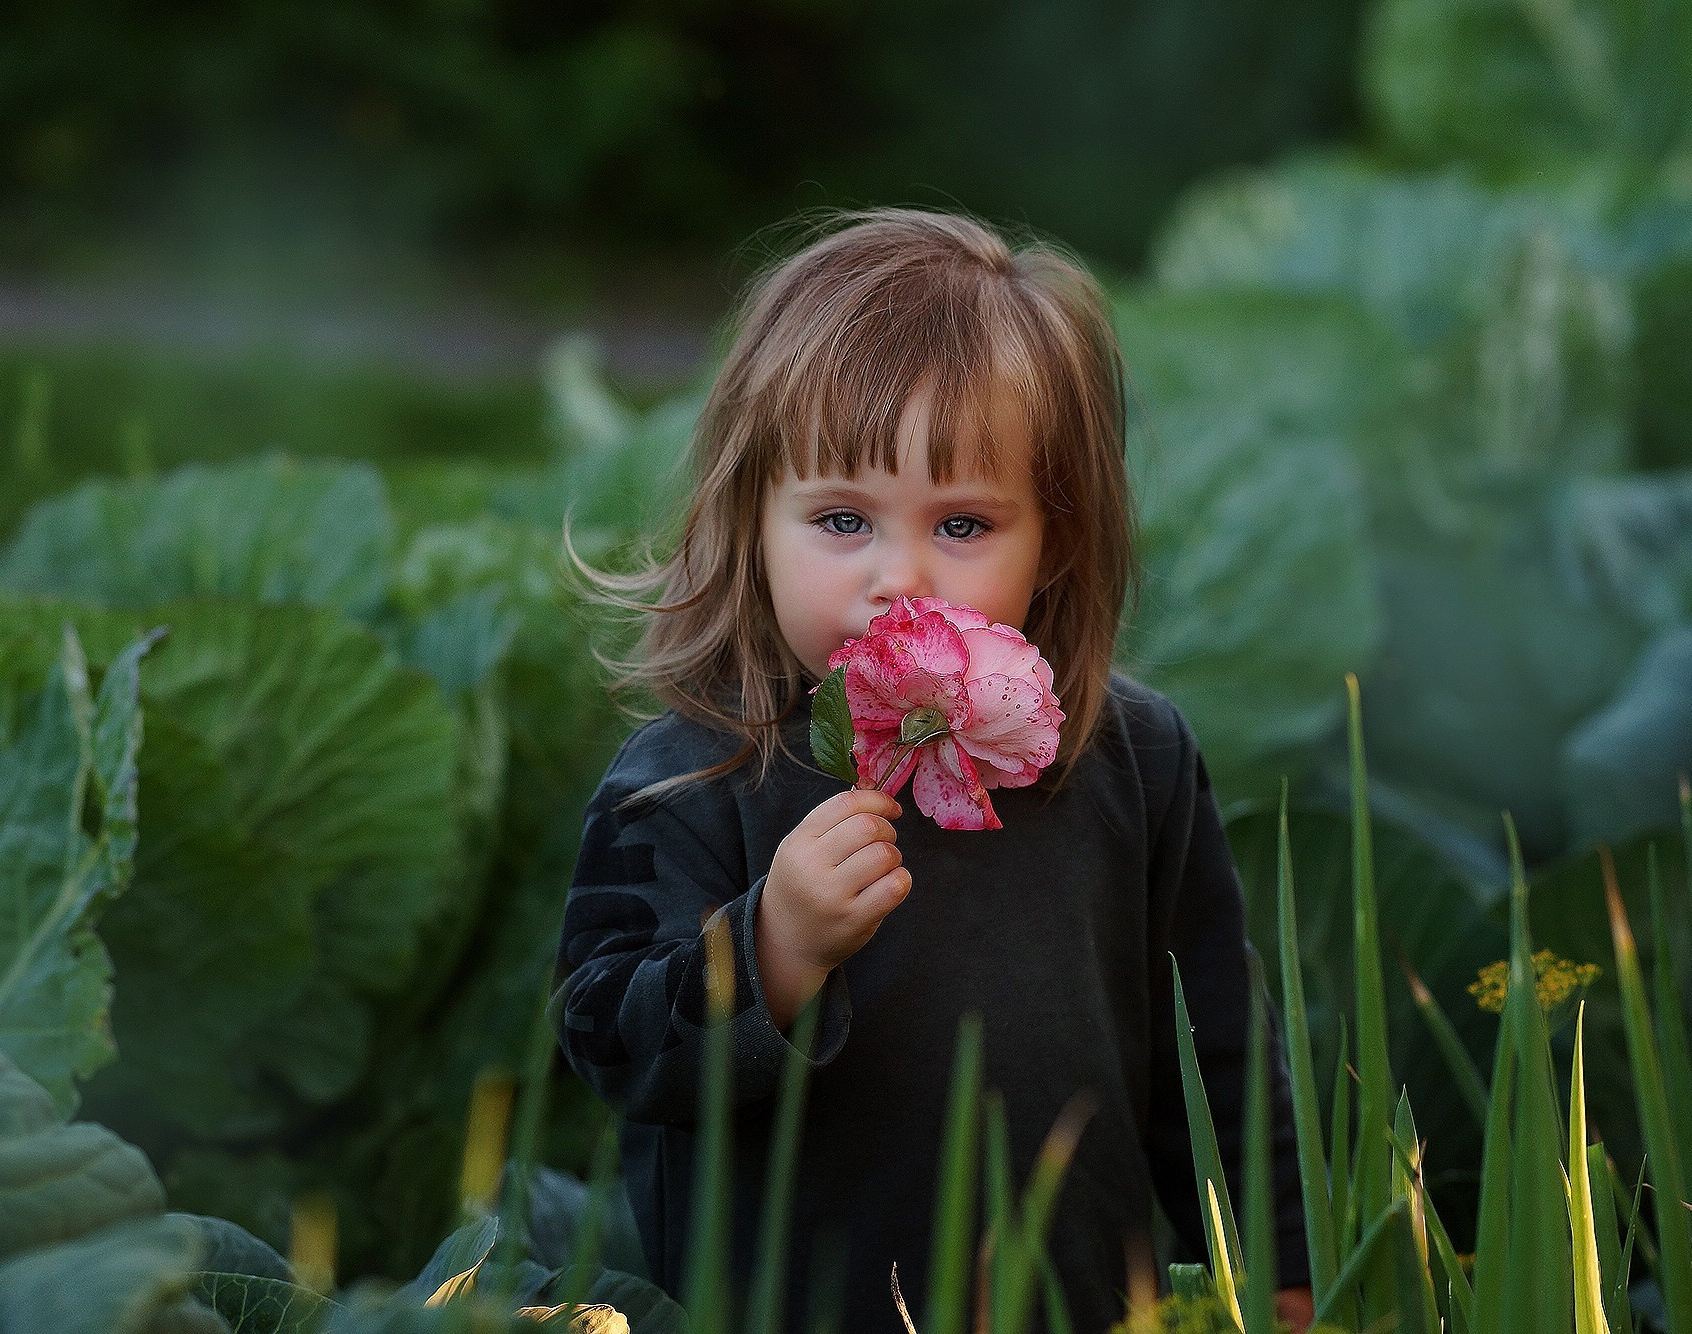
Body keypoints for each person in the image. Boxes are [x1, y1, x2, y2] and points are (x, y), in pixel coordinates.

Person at [552, 207, 1314, 1333]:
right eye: (841, 517)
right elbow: (607, 1042)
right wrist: (771, 948)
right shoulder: (686, 774)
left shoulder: (1132, 758)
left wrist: (1280, 1260)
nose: (897, 575)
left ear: (1052, 536)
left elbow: (1216, 1045)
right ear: (750, 519)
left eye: (962, 523)